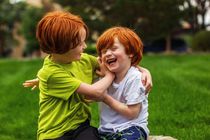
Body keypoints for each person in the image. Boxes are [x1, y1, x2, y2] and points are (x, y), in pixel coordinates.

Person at [23, 11, 152, 140]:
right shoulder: (50, 73)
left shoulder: (82, 59)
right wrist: (109, 76)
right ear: (64, 46)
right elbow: (95, 92)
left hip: (80, 127)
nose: (84, 46)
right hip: (55, 133)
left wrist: (144, 71)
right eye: (80, 43)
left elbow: (114, 62)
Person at [96, 27, 149, 140]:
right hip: (106, 130)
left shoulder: (134, 77)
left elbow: (132, 113)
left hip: (132, 128)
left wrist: (105, 98)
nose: (108, 54)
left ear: (130, 52)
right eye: (104, 51)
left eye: (113, 49)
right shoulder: (103, 74)